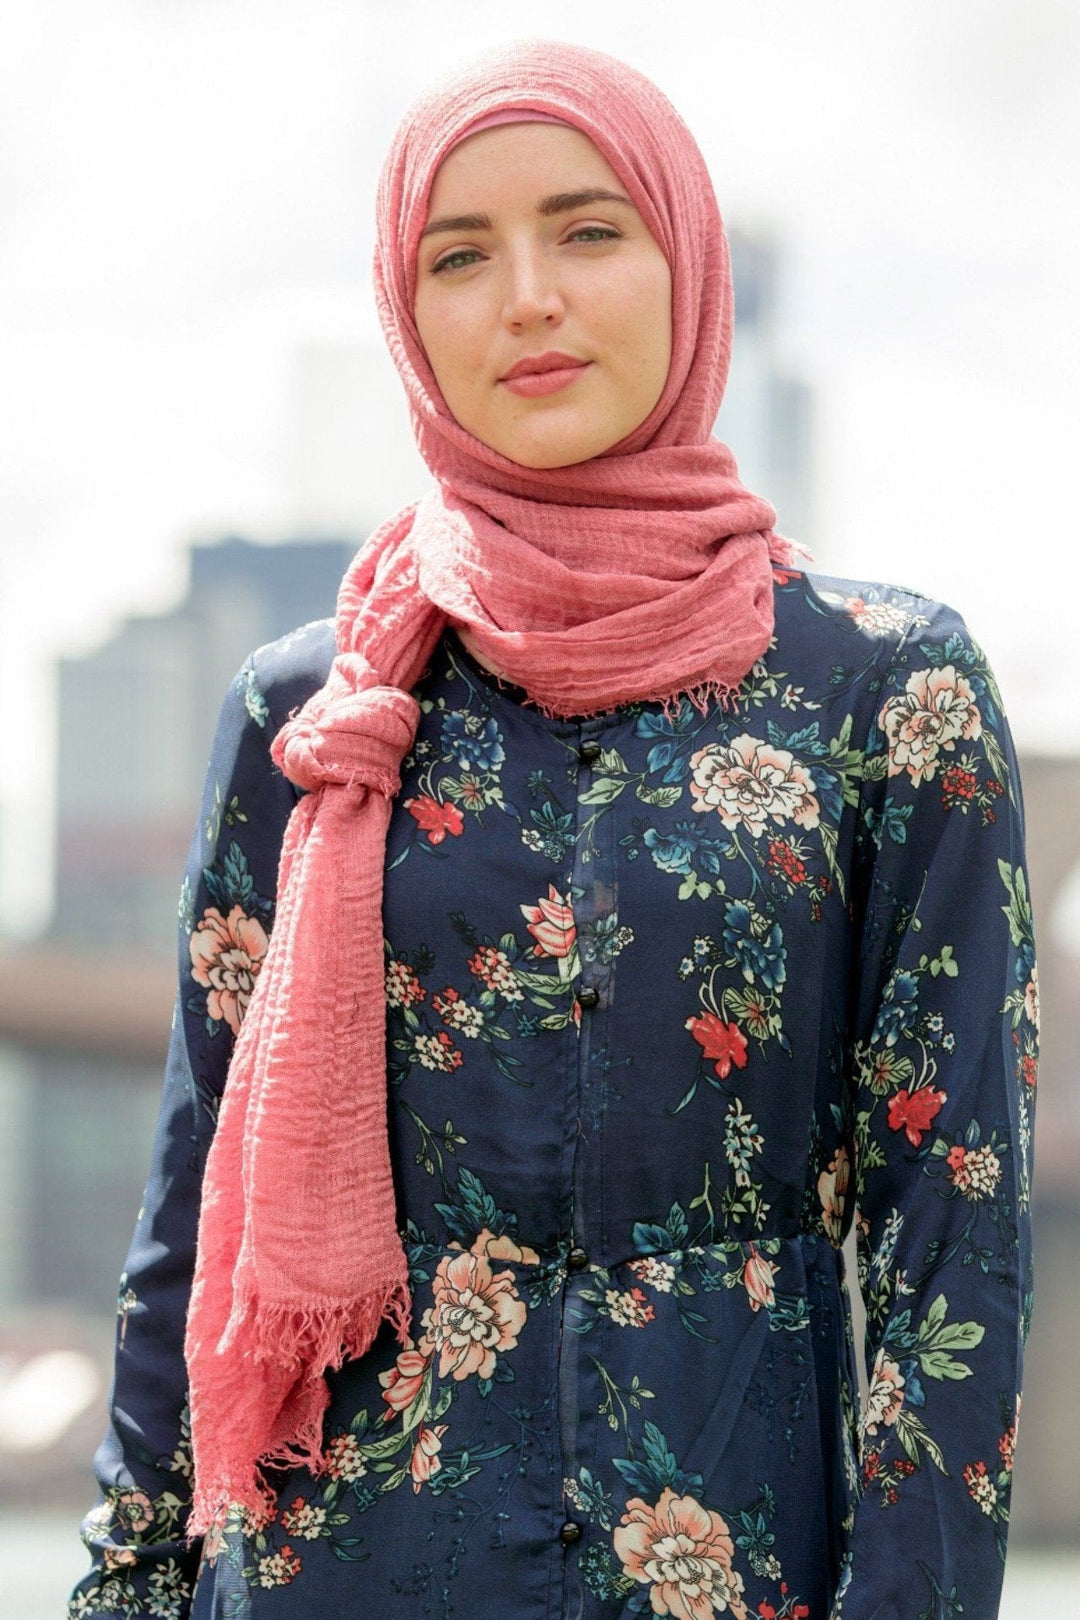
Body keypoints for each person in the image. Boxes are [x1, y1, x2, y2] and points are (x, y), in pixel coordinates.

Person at [68, 36, 1038, 1620]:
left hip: (734, 1574)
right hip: (333, 1575)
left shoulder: (887, 695)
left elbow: (956, 1237)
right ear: (407, 311)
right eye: (461, 255)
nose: (527, 295)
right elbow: (190, 1221)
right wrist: (122, 1588)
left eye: (589, 230)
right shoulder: (310, 717)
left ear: (688, 263)